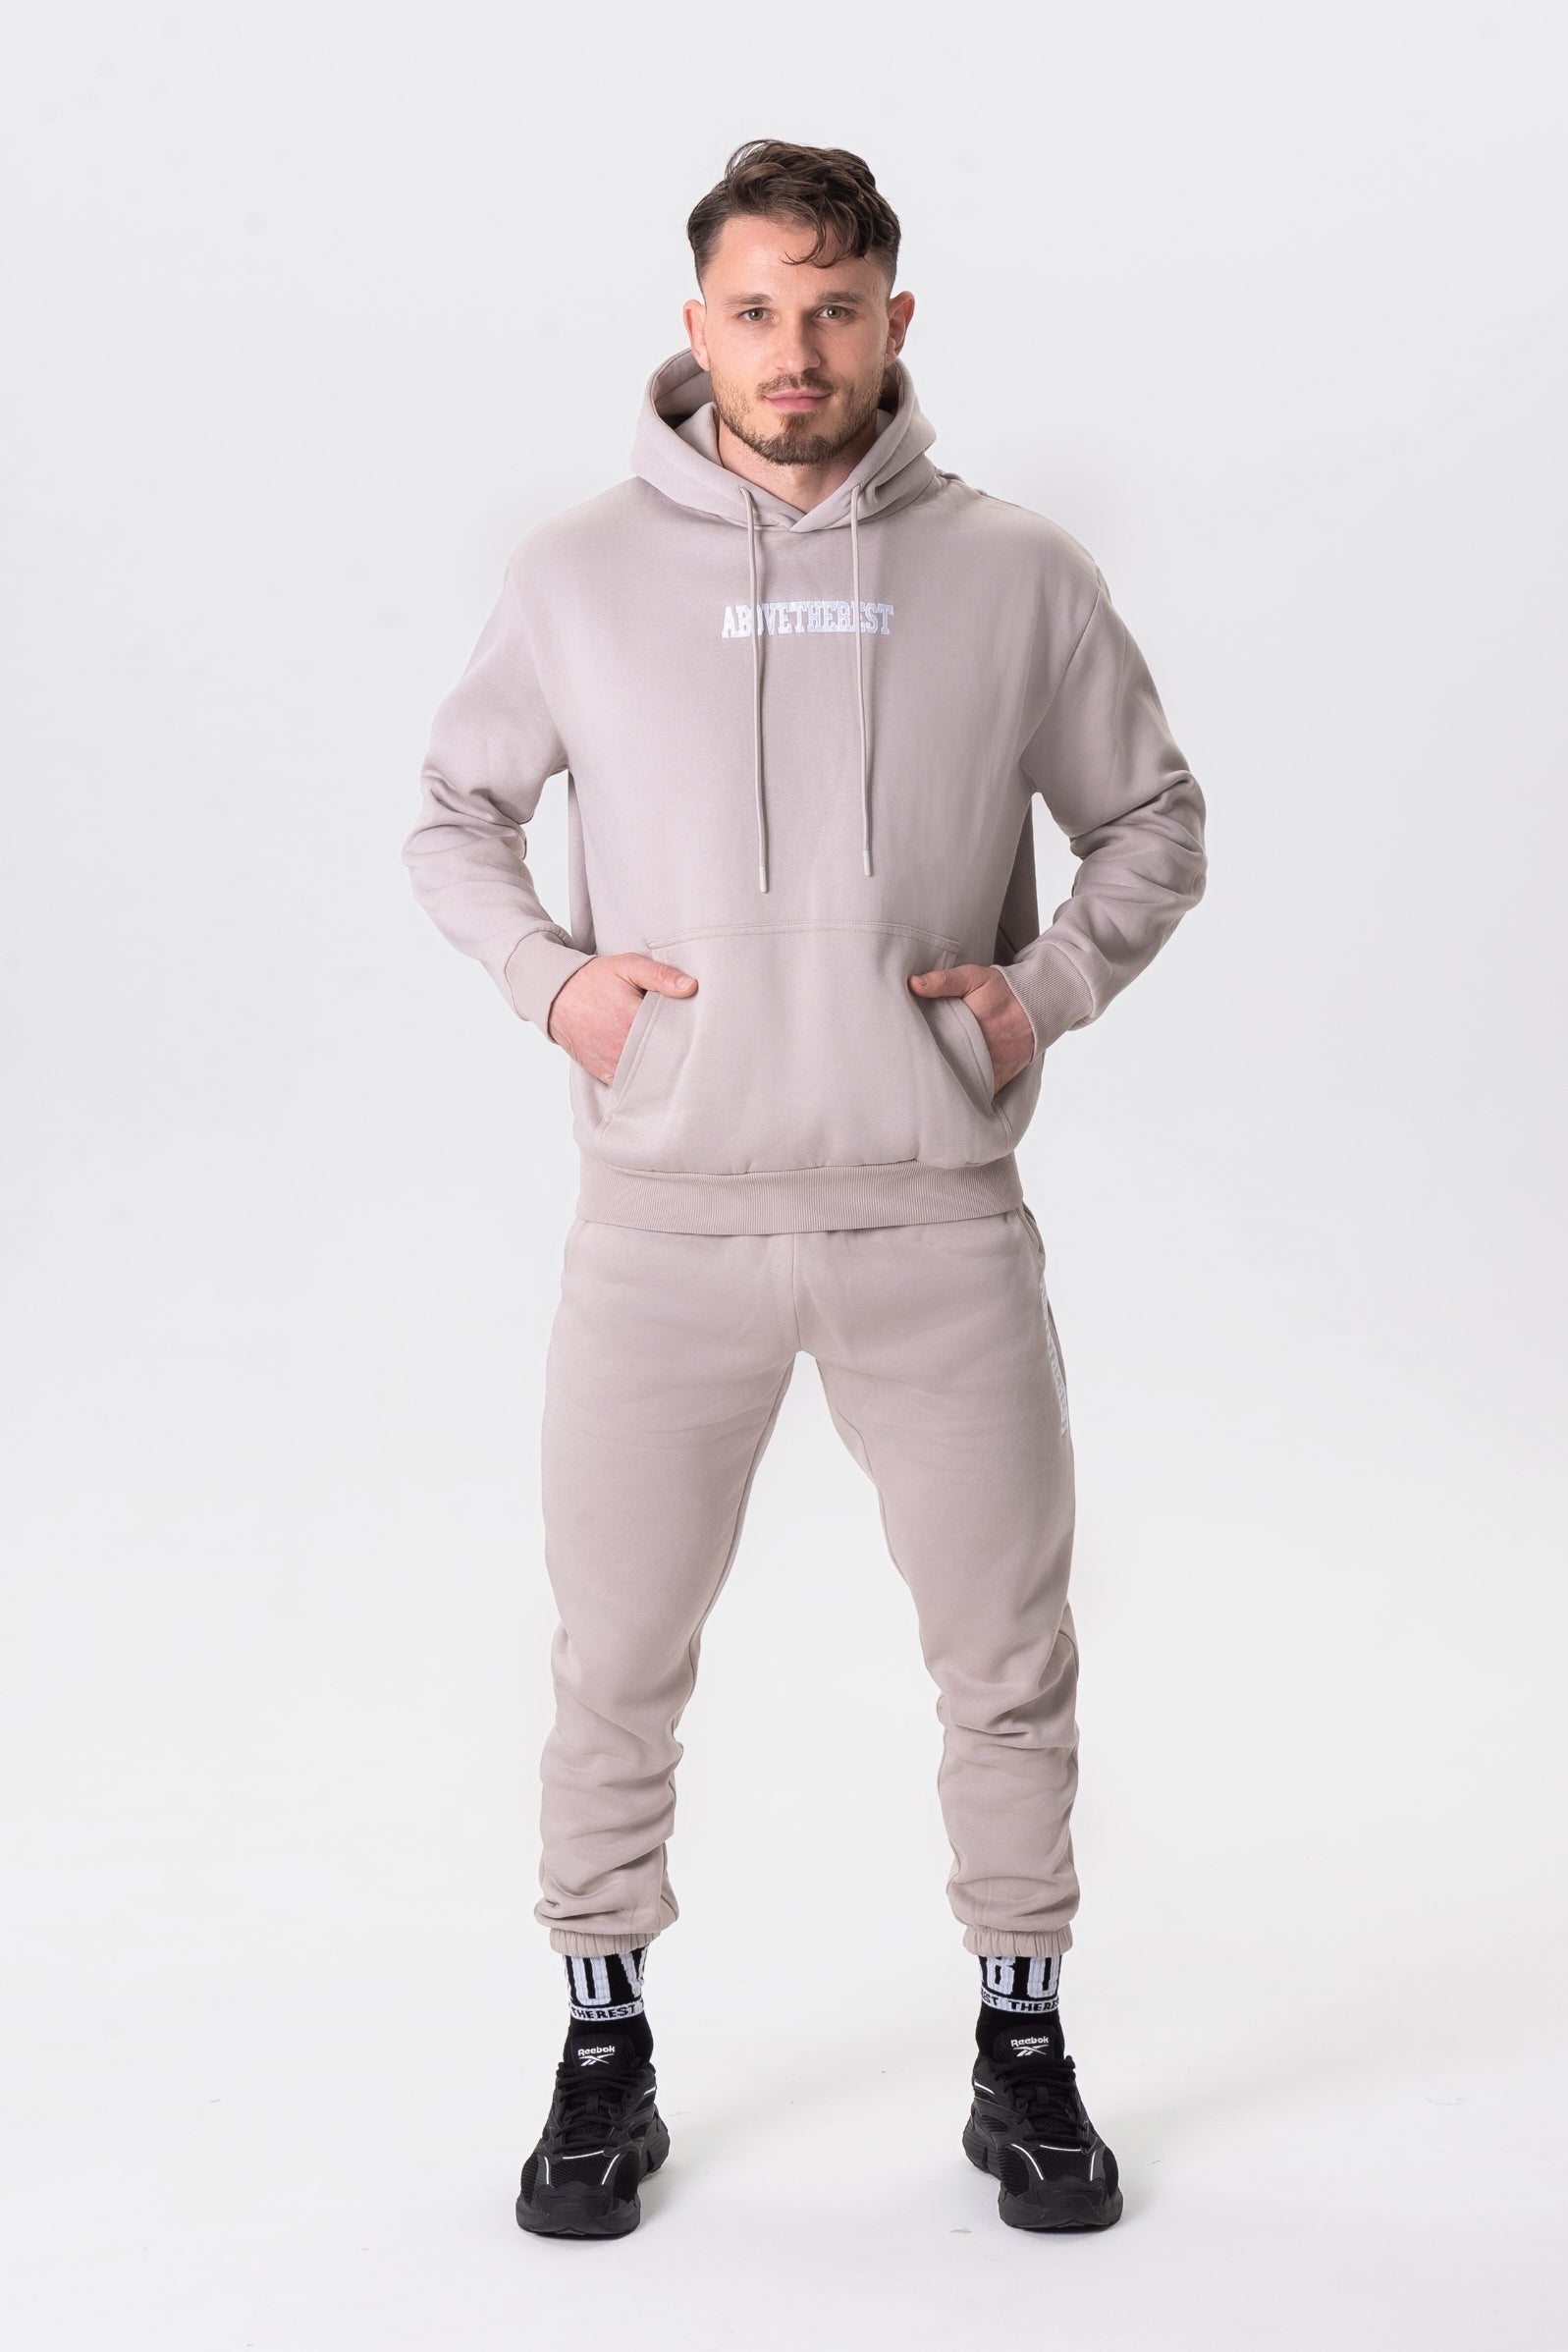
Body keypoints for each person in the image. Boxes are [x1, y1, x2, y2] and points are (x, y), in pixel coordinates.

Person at [401, 137, 1208, 2241]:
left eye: (834, 311)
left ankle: (1021, 2049)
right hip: (660, 1234)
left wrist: (1037, 995)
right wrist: (558, 986)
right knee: (615, 1658)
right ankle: (602, 2052)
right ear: (696, 326)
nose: (794, 351)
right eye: (756, 310)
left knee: (1005, 1653)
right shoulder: (578, 573)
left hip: (932, 1221)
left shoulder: (1014, 571)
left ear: (892, 323)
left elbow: (1150, 819)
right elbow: (454, 815)